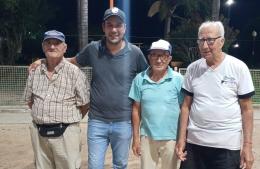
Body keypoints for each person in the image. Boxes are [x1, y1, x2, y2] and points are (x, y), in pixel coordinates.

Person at [30, 7, 148, 169]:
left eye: (118, 25)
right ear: (103, 27)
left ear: (124, 28)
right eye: (109, 25)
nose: (114, 29)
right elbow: (71, 61)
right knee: (94, 165)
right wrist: (44, 60)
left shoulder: (135, 53)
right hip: (97, 121)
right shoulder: (93, 49)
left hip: (123, 122)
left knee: (120, 164)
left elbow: (147, 78)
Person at [175, 21, 255, 169]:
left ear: (222, 41)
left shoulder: (238, 67)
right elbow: (186, 106)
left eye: (210, 40)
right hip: (194, 144)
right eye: (201, 40)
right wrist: (181, 139)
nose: (205, 46)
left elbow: (247, 109)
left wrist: (248, 146)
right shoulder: (193, 69)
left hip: (227, 146)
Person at [24, 30, 90, 169]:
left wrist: (68, 121)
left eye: (57, 43)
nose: (52, 47)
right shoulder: (34, 71)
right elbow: (30, 101)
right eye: (48, 43)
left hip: (66, 133)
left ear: (64, 48)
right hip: (39, 133)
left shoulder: (75, 72)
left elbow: (85, 104)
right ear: (43, 47)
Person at [129, 39, 183, 169]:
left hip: (172, 138)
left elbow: (184, 109)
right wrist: (136, 138)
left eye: (163, 55)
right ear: (149, 57)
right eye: (154, 55)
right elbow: (136, 110)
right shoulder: (139, 79)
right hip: (147, 138)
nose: (159, 60)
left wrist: (182, 138)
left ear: (169, 58)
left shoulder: (178, 80)